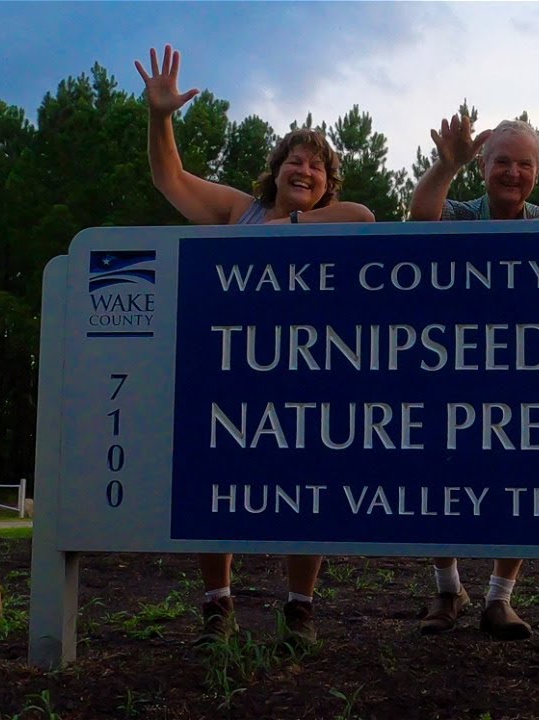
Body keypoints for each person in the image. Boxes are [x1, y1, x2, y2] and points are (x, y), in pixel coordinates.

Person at [135, 44, 374, 648]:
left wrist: (283, 229)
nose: (305, 170)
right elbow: (169, 178)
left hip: (309, 377)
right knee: (217, 482)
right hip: (233, 372)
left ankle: (300, 611)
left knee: (309, 489)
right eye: (296, 160)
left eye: (316, 166)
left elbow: (364, 218)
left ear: (327, 183)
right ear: (276, 169)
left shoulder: (333, 218)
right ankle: (218, 606)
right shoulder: (238, 212)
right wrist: (160, 117)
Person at [408, 113, 539, 639]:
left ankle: (500, 599)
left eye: (525, 164)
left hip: (525, 375)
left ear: (538, 171)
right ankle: (448, 589)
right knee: (439, 474)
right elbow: (420, 220)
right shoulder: (459, 212)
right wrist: (445, 166)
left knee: (521, 479)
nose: (513, 173)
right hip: (452, 367)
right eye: (503, 161)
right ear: (482, 166)